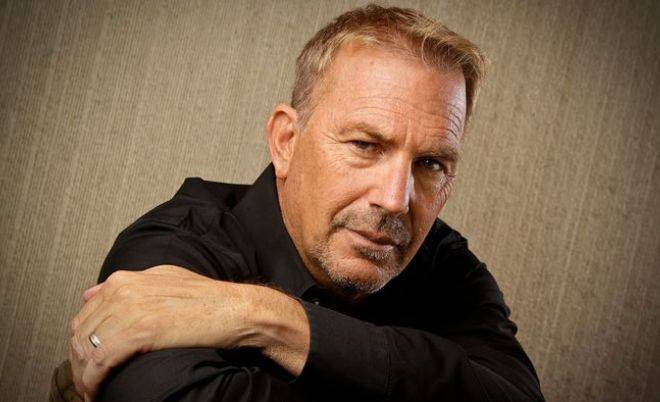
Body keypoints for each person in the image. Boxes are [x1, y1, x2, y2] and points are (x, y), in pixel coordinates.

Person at [61, 4, 544, 401]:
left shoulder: (445, 265)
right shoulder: (174, 248)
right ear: (286, 141)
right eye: (365, 145)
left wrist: (269, 319)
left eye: (431, 163)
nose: (395, 199)